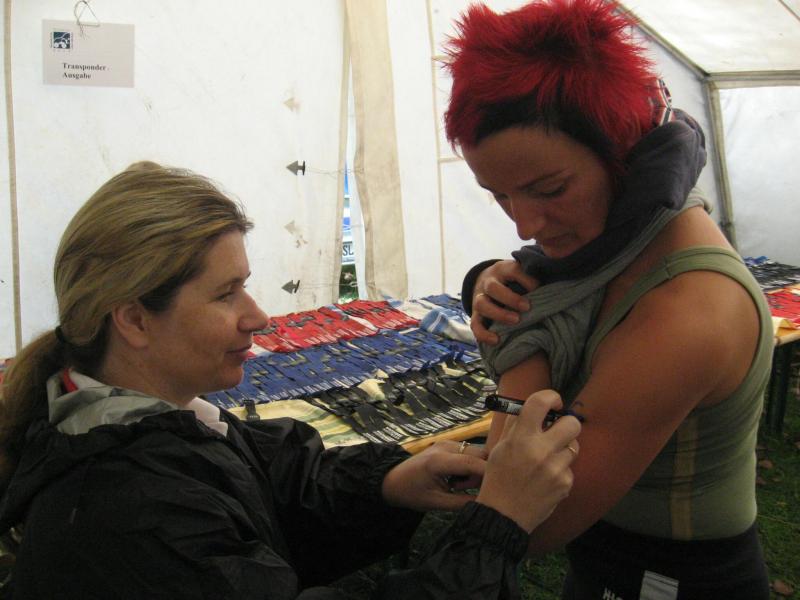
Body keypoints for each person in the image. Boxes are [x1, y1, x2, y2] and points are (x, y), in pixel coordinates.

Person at [0, 161, 580, 599]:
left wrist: (388, 481)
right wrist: (496, 526)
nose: (258, 317)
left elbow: (274, 479)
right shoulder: (129, 516)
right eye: (226, 294)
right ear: (133, 320)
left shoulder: (160, 424)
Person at [443, 1, 773, 599]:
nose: (523, 226)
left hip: (675, 578)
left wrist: (521, 342)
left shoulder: (688, 310)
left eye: (549, 189)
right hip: (607, 559)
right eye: (499, 195)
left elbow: (524, 517)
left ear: (627, 156)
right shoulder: (624, 240)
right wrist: (497, 280)